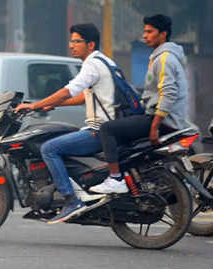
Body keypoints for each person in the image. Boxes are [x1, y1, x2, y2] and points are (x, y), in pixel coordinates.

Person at [15, 23, 119, 224]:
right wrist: (52, 106)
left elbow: (68, 91)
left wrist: (35, 105)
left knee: (49, 148)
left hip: (100, 130)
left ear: (90, 44)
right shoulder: (103, 61)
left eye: (77, 41)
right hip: (110, 128)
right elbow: (83, 97)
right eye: (71, 41)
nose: (72, 45)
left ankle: (71, 200)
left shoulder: (92, 64)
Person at [90, 14, 189, 194]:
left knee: (107, 129)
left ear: (163, 34)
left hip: (163, 121)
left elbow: (168, 93)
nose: (145, 35)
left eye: (150, 31)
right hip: (161, 117)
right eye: (145, 31)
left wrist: (154, 127)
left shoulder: (165, 58)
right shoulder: (162, 56)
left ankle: (115, 179)